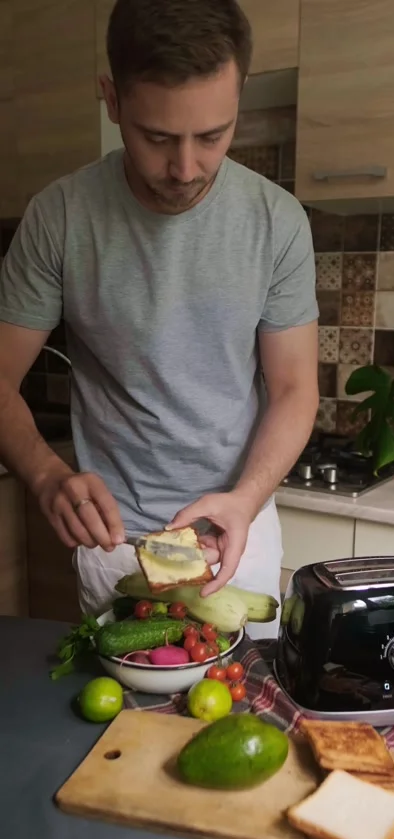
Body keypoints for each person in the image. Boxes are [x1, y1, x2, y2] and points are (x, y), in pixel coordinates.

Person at [0, 0, 319, 639]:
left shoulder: (278, 222)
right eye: (156, 137)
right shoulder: (59, 217)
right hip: (114, 539)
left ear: (240, 96)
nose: (186, 168)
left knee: (240, 725)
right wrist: (44, 473)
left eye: (212, 135)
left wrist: (246, 499)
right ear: (112, 99)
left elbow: (293, 388)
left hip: (237, 535)